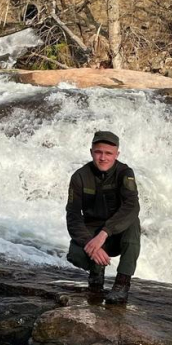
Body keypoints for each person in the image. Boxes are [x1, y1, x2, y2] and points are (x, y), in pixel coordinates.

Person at [66, 130, 141, 304]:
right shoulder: (79, 177)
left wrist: (105, 233)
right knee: (75, 254)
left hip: (117, 231)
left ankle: (122, 284)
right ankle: (96, 275)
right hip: (93, 231)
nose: (103, 158)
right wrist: (90, 243)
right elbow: (73, 216)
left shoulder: (125, 173)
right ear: (91, 152)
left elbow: (132, 206)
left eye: (108, 153)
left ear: (117, 155)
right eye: (98, 152)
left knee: (133, 224)